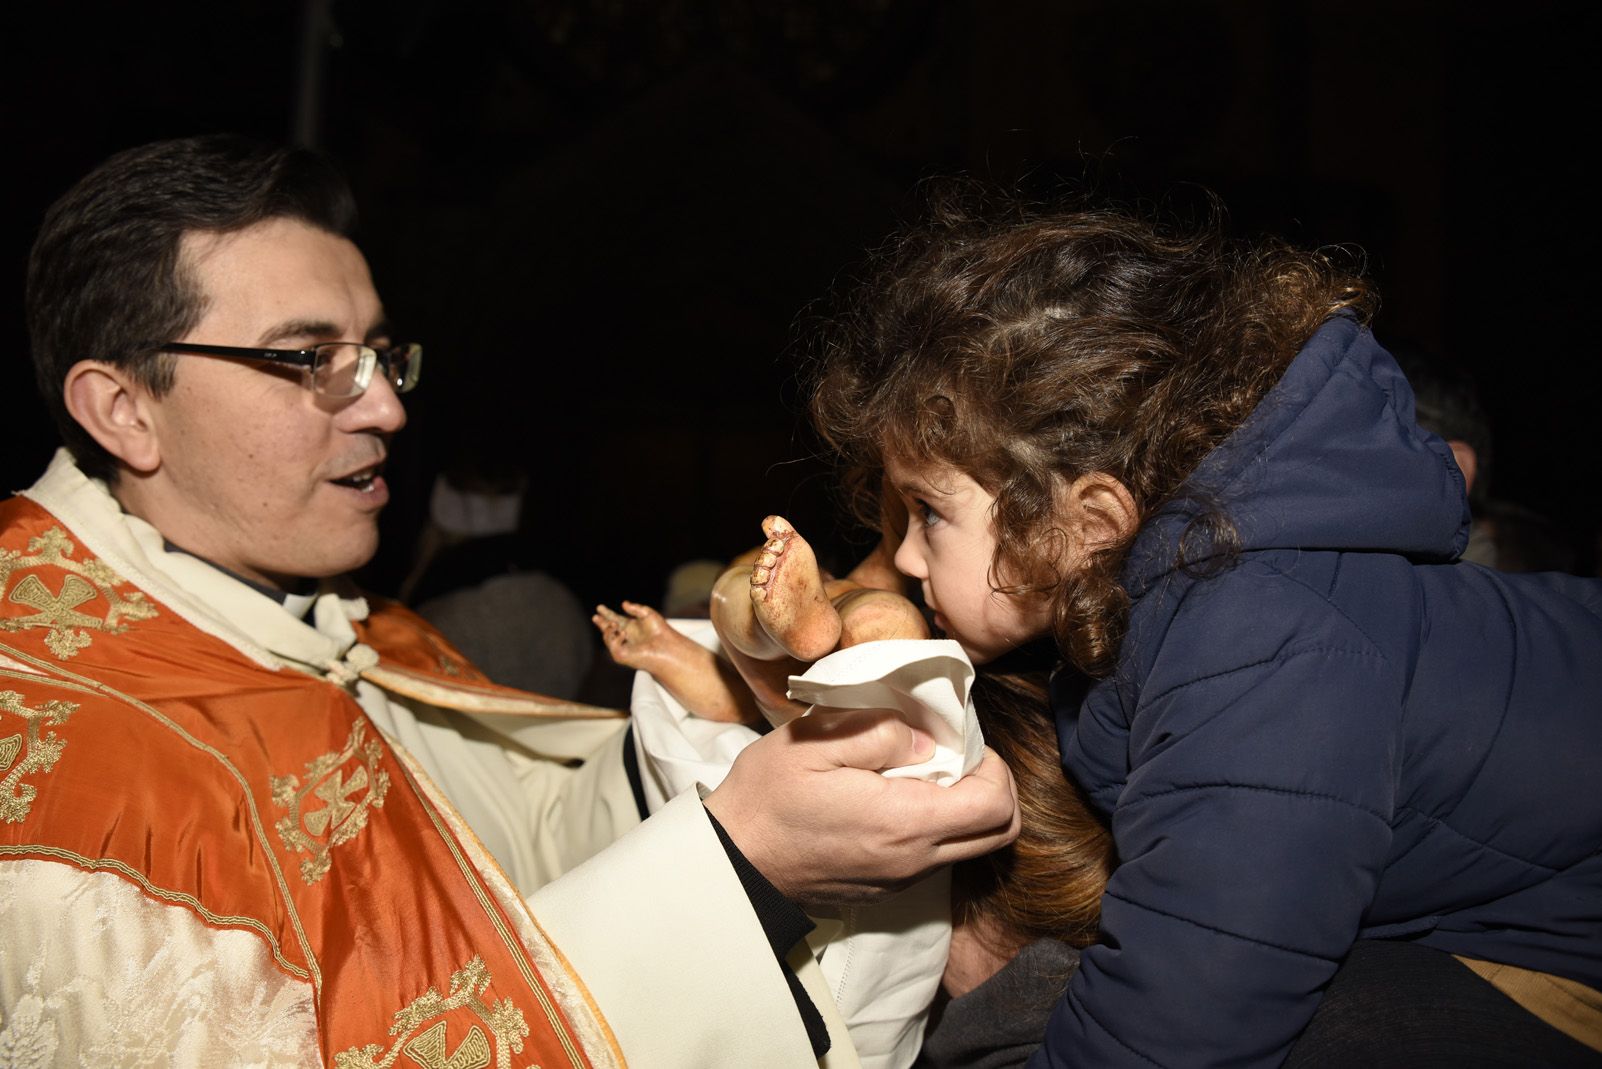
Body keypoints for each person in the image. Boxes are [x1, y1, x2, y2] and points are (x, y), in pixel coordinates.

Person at [0, 136, 1020, 1067]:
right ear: (124, 409)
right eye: (309, 359)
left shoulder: (342, 624)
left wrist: (731, 732)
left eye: (379, 356)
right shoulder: (46, 763)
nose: (386, 406)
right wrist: (740, 871)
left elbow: (505, 854)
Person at [807, 195, 1602, 1066]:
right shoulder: (1191, 590)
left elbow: (1189, 1016)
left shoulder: (1262, 642)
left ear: (1090, 521)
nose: (905, 557)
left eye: (929, 512)